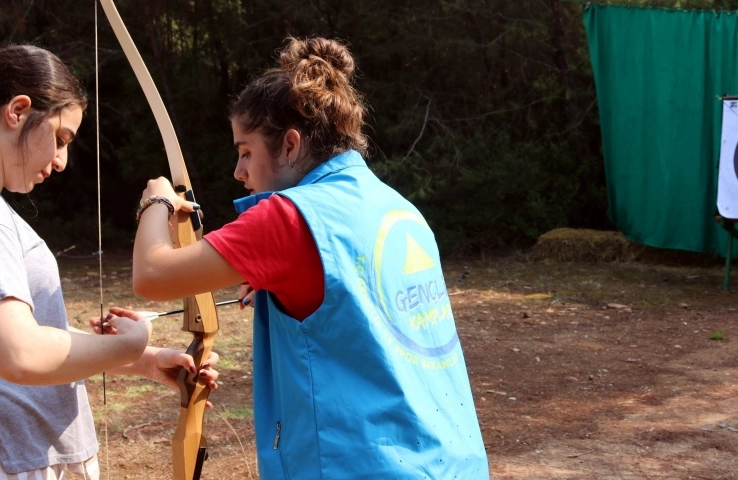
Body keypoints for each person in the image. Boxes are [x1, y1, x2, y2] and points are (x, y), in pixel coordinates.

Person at [132, 36, 489, 479]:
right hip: (450, 461)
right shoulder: (395, 206)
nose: (238, 171)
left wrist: (157, 201)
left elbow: (151, 274)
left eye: (246, 152)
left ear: (290, 145)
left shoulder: (287, 219)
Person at [0, 44, 219, 480]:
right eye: (61, 139)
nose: (61, 161)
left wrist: (145, 360)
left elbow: (31, 335)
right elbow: (20, 353)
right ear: (18, 111)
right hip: (23, 463)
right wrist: (128, 345)